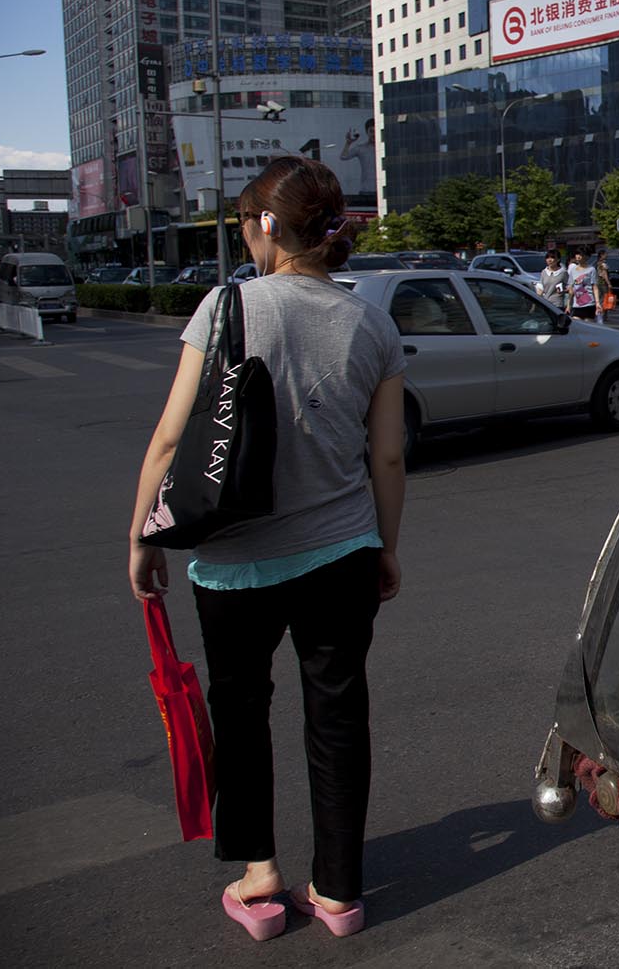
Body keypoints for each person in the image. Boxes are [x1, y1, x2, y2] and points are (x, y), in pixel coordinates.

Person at [127, 157, 406, 942]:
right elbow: (386, 457)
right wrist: (385, 544)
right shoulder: (373, 323)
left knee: (241, 709)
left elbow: (174, 436)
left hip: (235, 559)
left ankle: (259, 879)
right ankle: (340, 892)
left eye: (247, 224)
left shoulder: (226, 306)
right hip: (344, 549)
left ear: (269, 227)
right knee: (339, 712)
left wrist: (142, 535)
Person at [566, 249, 598, 321]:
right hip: (576, 304)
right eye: (577, 254)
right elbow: (571, 288)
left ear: (586, 257)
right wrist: (568, 305)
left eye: (581, 255)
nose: (578, 257)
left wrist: (598, 303)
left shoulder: (591, 269)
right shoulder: (573, 270)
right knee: (577, 325)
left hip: (589, 303)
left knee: (588, 326)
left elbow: (595, 287)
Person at [593, 246, 612, 325]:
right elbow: (604, 274)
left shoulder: (596, 263)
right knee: (604, 299)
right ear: (602, 255)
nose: (606, 255)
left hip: (597, 283)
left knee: (600, 299)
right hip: (602, 283)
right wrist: (609, 283)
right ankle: (602, 315)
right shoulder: (603, 264)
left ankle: (600, 315)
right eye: (605, 254)